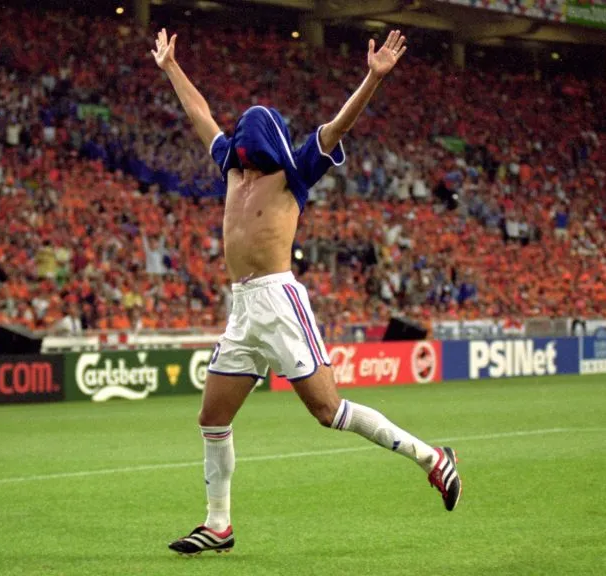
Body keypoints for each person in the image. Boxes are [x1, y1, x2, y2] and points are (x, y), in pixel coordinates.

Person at [150, 28, 461, 556]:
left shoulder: (295, 171)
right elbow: (201, 114)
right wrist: (171, 68)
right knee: (212, 418)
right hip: (242, 306)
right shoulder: (230, 164)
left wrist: (373, 78)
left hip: (279, 299)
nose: (244, 138)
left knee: (328, 411)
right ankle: (218, 525)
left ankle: (433, 459)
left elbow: (338, 127)